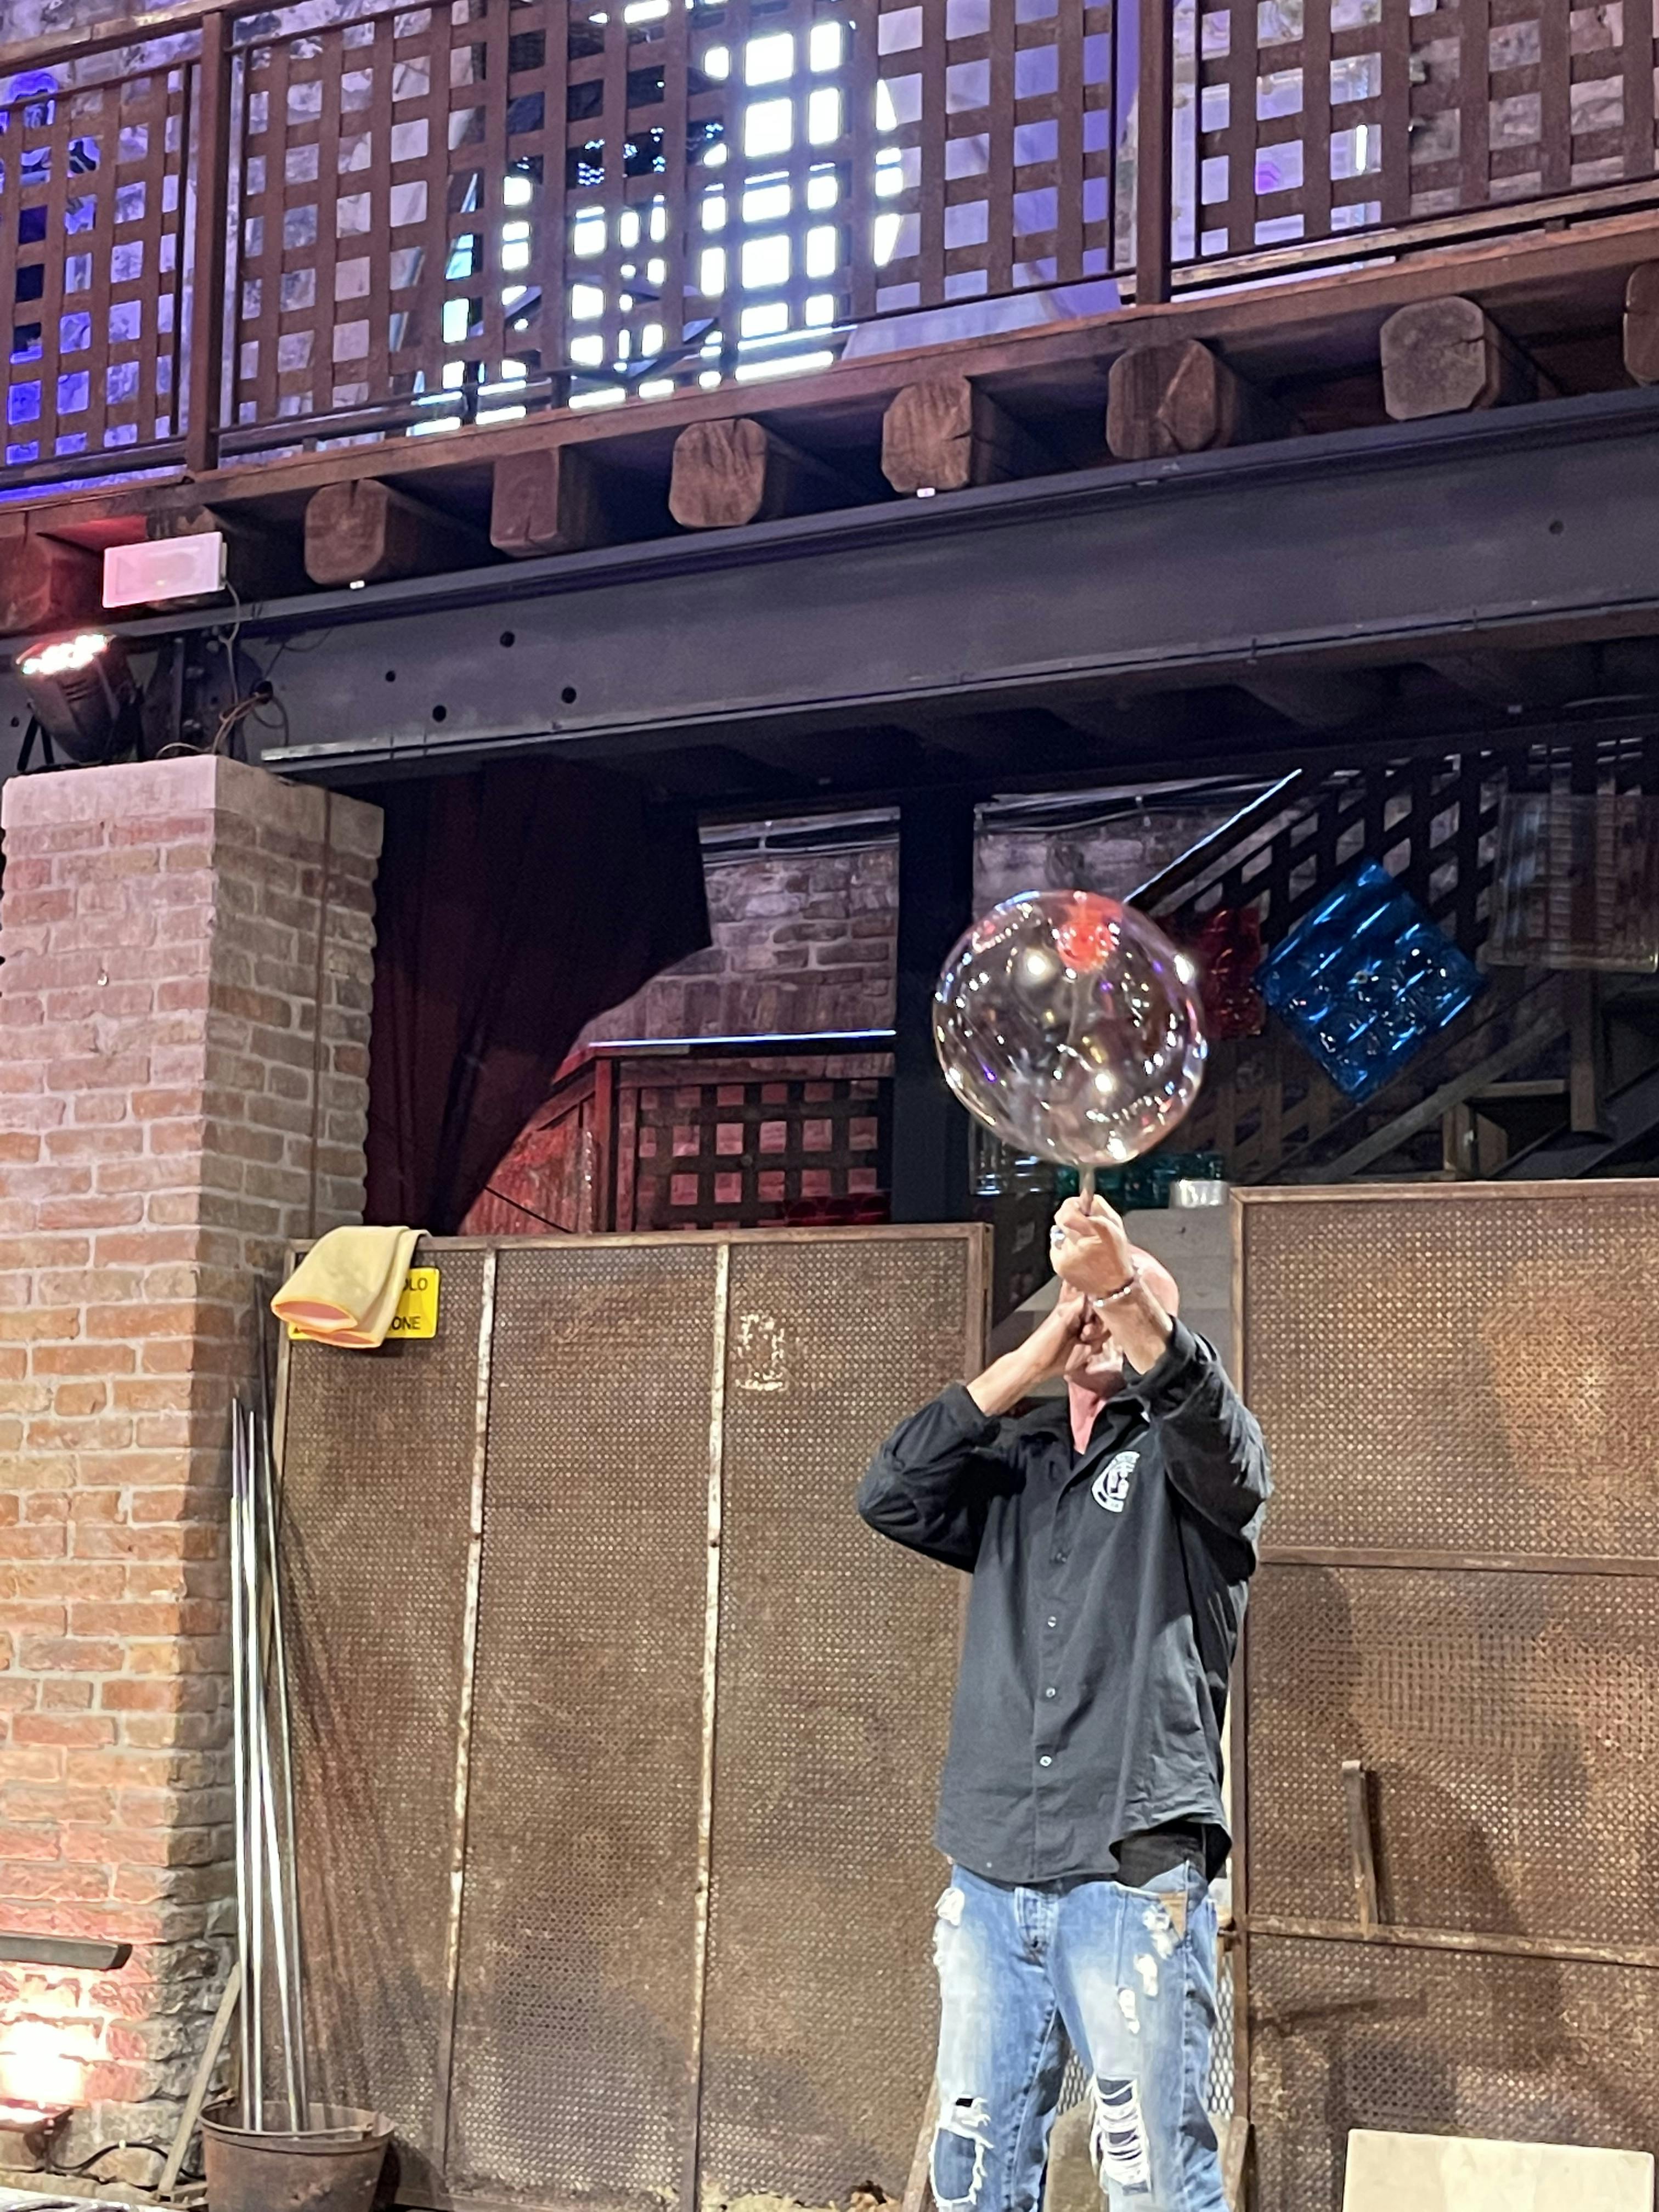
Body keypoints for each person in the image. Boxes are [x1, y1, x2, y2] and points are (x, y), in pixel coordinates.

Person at [857, 1195, 1271, 2212]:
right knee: (976, 2172)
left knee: (1155, 2179)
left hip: (1129, 1868)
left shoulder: (1194, 1465)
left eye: (1122, 1308)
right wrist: (1033, 1352)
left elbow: (1209, 1426)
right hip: (994, 1865)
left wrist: (1123, 1288)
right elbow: (891, 1492)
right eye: (1082, 1305)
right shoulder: (1022, 1464)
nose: (1098, 1319)